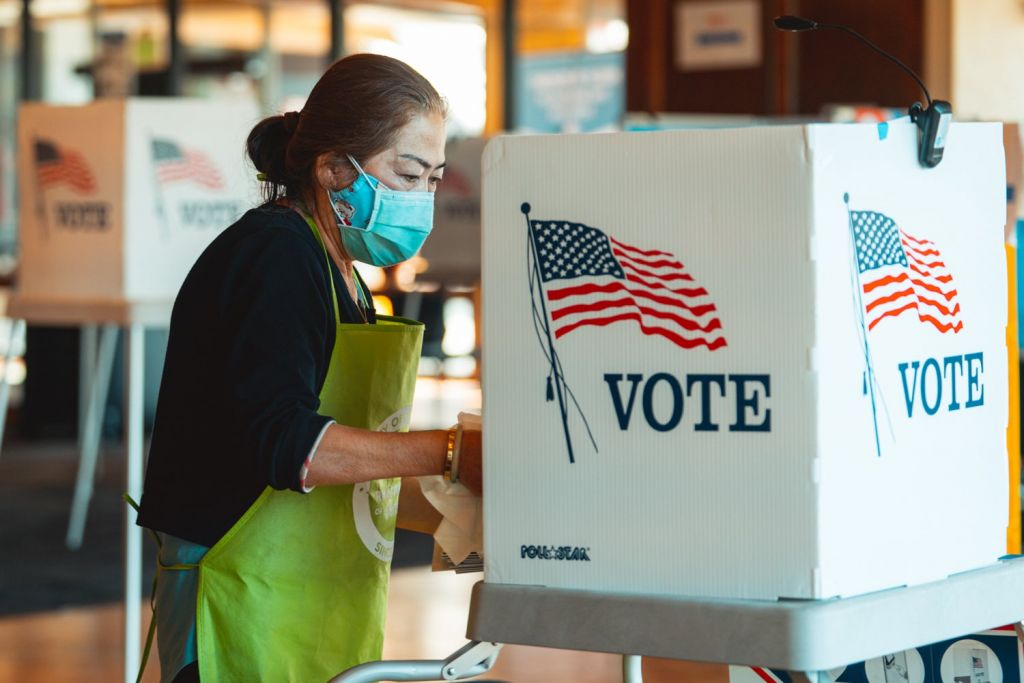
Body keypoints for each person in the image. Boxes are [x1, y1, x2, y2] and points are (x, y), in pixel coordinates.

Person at [136, 53, 482, 683]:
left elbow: (361, 474)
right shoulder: (275, 255)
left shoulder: (343, 274)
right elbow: (287, 444)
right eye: (406, 174)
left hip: (313, 590)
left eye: (433, 178)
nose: (423, 199)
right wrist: (454, 449)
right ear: (330, 168)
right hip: (238, 596)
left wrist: (475, 526)